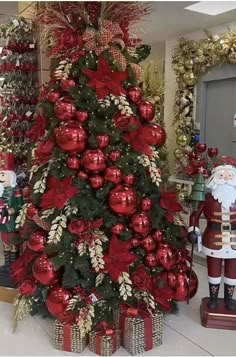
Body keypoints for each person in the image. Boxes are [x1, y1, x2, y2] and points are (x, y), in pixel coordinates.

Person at [188, 157, 236, 311]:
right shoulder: (208, 198)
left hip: (234, 240)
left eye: (229, 176)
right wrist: (193, 230)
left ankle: (229, 300)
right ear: (215, 178)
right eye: (222, 176)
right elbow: (194, 216)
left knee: (232, 273)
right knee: (213, 271)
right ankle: (213, 299)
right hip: (213, 240)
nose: (226, 179)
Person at [0, 152, 23, 287]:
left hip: (12, 223)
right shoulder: (1, 191)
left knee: (13, 243)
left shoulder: (16, 191)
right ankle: (7, 265)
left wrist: (9, 211)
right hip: (2, 224)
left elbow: (19, 206)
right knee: (5, 243)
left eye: (3, 175)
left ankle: (14, 265)